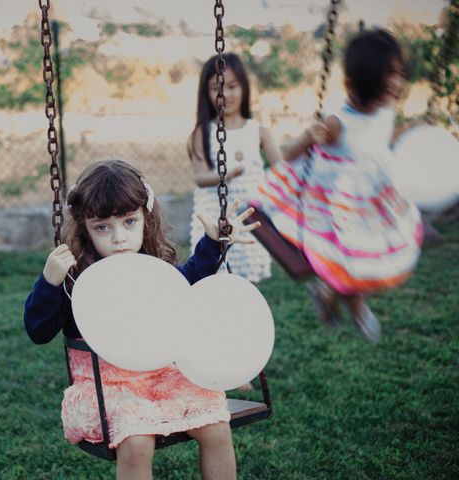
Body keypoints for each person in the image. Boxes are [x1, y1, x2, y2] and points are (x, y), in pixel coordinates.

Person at [24, 160, 261, 480]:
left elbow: (188, 280)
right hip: (106, 387)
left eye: (129, 222)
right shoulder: (76, 281)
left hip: (160, 377)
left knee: (216, 426)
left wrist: (214, 242)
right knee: (136, 442)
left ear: (145, 220)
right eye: (103, 227)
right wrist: (49, 283)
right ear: (85, 228)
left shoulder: (152, 272)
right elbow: (39, 331)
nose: (119, 237)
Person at [256, 28, 423, 343]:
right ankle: (347, 300)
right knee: (352, 259)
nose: (397, 83)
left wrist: (410, 132)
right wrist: (309, 137)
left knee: (382, 256)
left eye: (400, 74)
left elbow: (378, 142)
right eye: (388, 77)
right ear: (358, 83)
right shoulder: (336, 122)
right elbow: (289, 152)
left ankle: (330, 295)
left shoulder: (385, 108)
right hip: (334, 206)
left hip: (372, 201)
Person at [188, 52, 284, 285]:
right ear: (206, 93)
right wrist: (226, 174)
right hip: (214, 215)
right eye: (215, 88)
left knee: (245, 281)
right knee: (212, 278)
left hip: (248, 217)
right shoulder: (203, 132)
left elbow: (282, 167)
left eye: (232, 86)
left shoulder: (258, 131)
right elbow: (200, 176)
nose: (225, 94)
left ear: (244, 87)